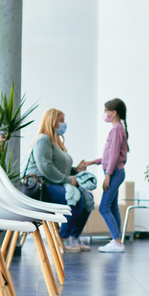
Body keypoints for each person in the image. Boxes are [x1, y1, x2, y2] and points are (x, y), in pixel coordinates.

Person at [26, 108, 91, 252]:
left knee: (88, 199)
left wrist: (76, 170)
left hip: (56, 183)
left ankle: (73, 238)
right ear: (52, 121)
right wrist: (68, 180)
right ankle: (63, 238)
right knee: (76, 199)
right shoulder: (43, 139)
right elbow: (46, 167)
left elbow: (61, 167)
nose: (64, 124)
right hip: (45, 186)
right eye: (61, 121)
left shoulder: (57, 143)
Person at [86, 98, 129, 253]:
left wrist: (108, 175)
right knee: (112, 207)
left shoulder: (116, 129)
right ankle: (117, 241)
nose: (104, 114)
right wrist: (92, 162)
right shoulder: (118, 128)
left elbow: (114, 155)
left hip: (114, 172)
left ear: (114, 112)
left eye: (105, 111)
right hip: (115, 171)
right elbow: (109, 155)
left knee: (104, 207)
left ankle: (117, 242)